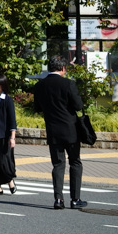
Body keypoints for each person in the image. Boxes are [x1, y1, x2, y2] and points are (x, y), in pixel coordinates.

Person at [30, 56, 85, 209]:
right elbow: (78, 106)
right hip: (71, 130)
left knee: (58, 164)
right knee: (75, 162)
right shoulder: (68, 84)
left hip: (53, 131)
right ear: (62, 68)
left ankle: (58, 199)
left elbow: (37, 108)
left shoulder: (40, 85)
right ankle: (75, 199)